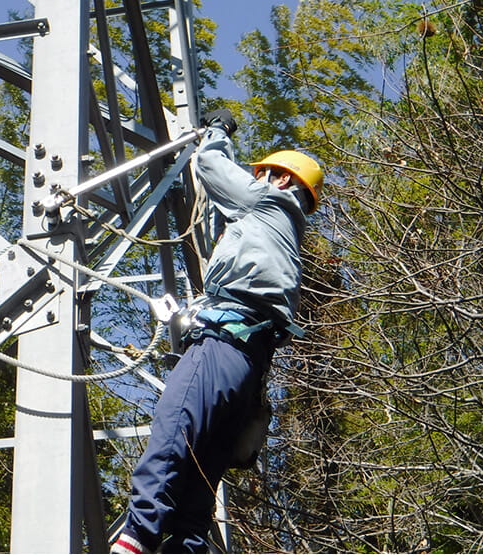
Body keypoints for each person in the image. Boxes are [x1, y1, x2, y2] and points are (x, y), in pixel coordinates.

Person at [110, 109, 324, 554]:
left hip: (223, 346)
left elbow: (210, 165)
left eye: (262, 174)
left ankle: (136, 538)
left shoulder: (271, 203)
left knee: (174, 427)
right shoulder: (282, 233)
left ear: (282, 181)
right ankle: (187, 546)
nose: (256, 179)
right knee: (202, 467)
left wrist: (218, 131)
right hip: (248, 367)